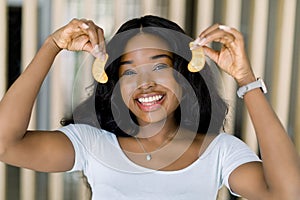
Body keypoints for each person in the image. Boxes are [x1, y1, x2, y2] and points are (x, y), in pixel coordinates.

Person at [0, 15, 299, 200]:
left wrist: (246, 79)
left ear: (183, 76)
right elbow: (5, 145)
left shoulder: (220, 151)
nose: (145, 82)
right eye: (129, 72)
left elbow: (288, 194)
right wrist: (51, 45)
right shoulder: (91, 144)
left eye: (159, 66)